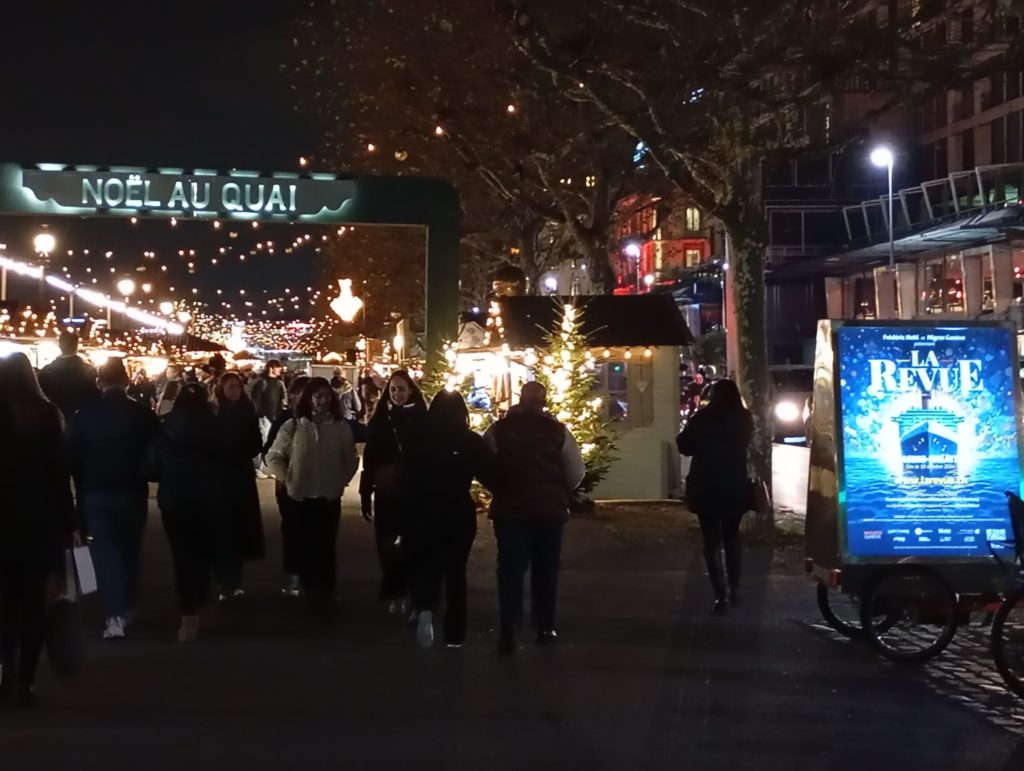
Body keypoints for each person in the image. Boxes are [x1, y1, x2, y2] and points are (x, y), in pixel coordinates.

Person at [0, 352, 77, 707]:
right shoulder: (48, 416)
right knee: (34, 605)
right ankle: (26, 681)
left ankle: (4, 674)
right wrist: (69, 523)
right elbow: (59, 476)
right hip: (39, 524)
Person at [484, 381, 585, 655]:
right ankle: (545, 626)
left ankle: (509, 627)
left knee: (510, 570)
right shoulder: (558, 431)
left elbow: (485, 463)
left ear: (520, 398)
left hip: (511, 510)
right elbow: (575, 471)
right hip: (548, 511)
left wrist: (500, 487)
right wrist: (559, 489)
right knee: (546, 569)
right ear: (544, 400)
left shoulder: (499, 430)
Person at [66, 357, 159, 639]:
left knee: (105, 551)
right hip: (132, 491)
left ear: (99, 382)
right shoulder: (142, 414)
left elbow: (69, 457)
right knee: (130, 549)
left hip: (95, 491)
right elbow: (156, 453)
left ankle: (114, 613)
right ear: (126, 381)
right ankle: (127, 603)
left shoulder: (84, 415)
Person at [408, 391, 497, 649]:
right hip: (458, 510)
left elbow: (407, 476)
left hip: (424, 509)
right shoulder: (470, 441)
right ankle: (455, 633)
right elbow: (491, 474)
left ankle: (426, 607)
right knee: (456, 571)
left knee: (427, 564)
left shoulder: (419, 439)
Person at [265, 377, 358, 619]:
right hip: (299, 495)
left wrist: (340, 480)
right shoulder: (294, 426)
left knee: (326, 545)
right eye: (317, 396)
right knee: (303, 542)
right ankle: (306, 587)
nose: (322, 401)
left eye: (326, 396)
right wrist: (288, 477)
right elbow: (273, 456)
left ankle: (326, 588)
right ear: (308, 398)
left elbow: (351, 459)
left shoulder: (340, 427)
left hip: (328, 496)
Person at [675, 379, 753, 615]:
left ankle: (720, 594)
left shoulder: (703, 418)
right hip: (734, 483)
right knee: (732, 536)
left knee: (711, 541)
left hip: (706, 483)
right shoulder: (744, 419)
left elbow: (685, 445)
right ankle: (735, 586)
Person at [156, 382, 220, 642]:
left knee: (181, 555)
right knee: (203, 549)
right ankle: (202, 590)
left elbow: (153, 461)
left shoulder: (165, 425)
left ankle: (188, 615)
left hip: (175, 496)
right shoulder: (215, 425)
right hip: (207, 497)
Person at [359, 370, 427, 613]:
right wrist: (365, 492)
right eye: (393, 389)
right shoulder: (380, 419)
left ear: (411, 390)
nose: (398, 394)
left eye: (402, 389)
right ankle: (392, 588)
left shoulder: (422, 419)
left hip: (414, 489)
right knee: (386, 542)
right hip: (387, 489)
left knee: (412, 541)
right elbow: (370, 458)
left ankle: (410, 588)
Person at [211, 372, 265, 601]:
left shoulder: (247, 411)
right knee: (222, 527)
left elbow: (256, 442)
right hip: (221, 475)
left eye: (237, 386)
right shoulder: (214, 412)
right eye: (230, 386)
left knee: (238, 527)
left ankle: (233, 579)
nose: (234, 390)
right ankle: (224, 579)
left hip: (240, 475)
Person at [262, 375, 310, 596]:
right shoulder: (285, 420)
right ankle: (293, 573)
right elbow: (269, 453)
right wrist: (285, 476)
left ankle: (311, 575)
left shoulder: (323, 419)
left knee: (315, 530)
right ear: (292, 395)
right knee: (292, 527)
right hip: (288, 485)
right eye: (300, 393)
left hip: (315, 484)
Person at [37, 330, 99, 422]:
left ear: (60, 345)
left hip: (53, 421)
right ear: (77, 345)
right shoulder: (90, 372)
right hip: (82, 421)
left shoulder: (46, 372)